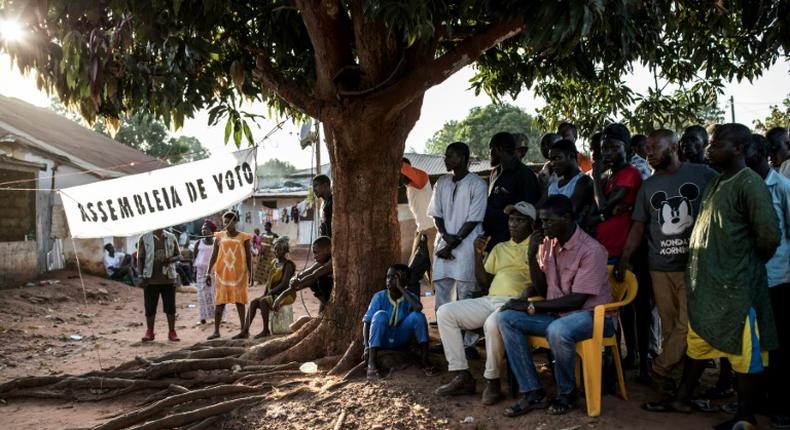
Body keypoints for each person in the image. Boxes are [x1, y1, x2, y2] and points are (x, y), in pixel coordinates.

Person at [643, 124, 780, 430]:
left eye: (717, 144)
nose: (709, 149)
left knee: (744, 353)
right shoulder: (718, 182)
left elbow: (768, 236)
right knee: (698, 343)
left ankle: (745, 415)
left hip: (737, 288)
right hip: (710, 288)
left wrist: (741, 264)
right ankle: (682, 398)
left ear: (739, 149)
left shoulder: (749, 184)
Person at [615, 129, 717, 392]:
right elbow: (638, 226)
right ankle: (679, 382)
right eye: (647, 149)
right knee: (671, 327)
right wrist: (624, 258)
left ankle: (660, 368)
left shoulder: (702, 175)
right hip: (659, 267)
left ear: (672, 147)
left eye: (653, 148)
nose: (648, 153)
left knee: (688, 324)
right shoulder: (649, 186)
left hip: (693, 266)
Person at [497, 195, 613, 417]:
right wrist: (532, 256)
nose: (543, 226)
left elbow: (577, 300)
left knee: (558, 330)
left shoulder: (591, 250)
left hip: (593, 317)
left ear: (567, 218)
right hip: (558, 315)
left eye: (548, 221)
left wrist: (530, 307)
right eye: (541, 221)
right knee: (506, 318)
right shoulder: (548, 245)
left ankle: (567, 393)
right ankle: (533, 392)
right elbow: (542, 290)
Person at [435, 202, 535, 405]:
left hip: (516, 304)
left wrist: (527, 294)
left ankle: (492, 381)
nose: (513, 224)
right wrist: (477, 254)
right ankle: (462, 376)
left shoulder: (538, 246)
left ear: (532, 224)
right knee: (445, 312)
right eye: (511, 219)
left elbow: (545, 281)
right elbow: (484, 283)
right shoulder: (500, 247)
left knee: (492, 323)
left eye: (520, 220)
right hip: (490, 299)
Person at [744, 133, 790, 429]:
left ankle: (782, 404)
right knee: (755, 344)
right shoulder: (742, 187)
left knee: (781, 345)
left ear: (759, 152)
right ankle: (758, 399)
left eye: (743, 148)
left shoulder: (782, 186)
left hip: (778, 278)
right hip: (749, 280)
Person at [427, 142, 487, 313]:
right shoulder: (442, 182)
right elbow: (436, 213)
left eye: (450, 156)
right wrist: (445, 238)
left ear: (462, 158)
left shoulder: (477, 184)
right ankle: (447, 337)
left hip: (467, 245)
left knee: (465, 292)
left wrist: (452, 244)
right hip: (444, 243)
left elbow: (474, 219)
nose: (445, 159)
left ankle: (467, 339)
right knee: (442, 290)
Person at [362, 264, 436, 380]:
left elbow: (418, 308)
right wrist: (366, 346)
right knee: (380, 315)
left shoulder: (410, 297)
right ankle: (371, 363)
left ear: (404, 280)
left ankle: (424, 359)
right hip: (383, 339)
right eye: (388, 277)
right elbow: (367, 322)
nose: (389, 280)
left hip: (401, 339)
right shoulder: (379, 296)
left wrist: (401, 288)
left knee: (418, 316)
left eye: (394, 278)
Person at [589, 124, 643, 260]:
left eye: (614, 148)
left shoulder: (630, 173)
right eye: (604, 148)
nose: (608, 153)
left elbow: (602, 206)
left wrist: (595, 174)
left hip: (618, 252)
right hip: (600, 249)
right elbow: (594, 212)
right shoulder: (607, 177)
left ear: (625, 147)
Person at [485, 132, 541, 249]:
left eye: (490, 150)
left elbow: (529, 211)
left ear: (499, 149)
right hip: (491, 239)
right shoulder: (495, 172)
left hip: (512, 243)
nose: (488, 154)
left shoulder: (525, 175)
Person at [206, 211, 253, 340]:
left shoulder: (244, 237)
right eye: (225, 222)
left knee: (240, 302)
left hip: (240, 274)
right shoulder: (219, 236)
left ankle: (244, 330)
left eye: (230, 222)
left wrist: (251, 274)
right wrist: (208, 272)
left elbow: (249, 257)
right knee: (220, 302)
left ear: (235, 222)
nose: (227, 224)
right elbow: (214, 255)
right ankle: (216, 331)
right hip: (222, 274)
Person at [242, 236, 295, 338]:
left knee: (263, 301)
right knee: (254, 303)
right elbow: (269, 281)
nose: (276, 251)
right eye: (275, 248)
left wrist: (270, 293)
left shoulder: (288, 264)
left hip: (285, 294)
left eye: (278, 249)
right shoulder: (274, 263)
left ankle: (265, 330)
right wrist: (265, 293)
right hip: (274, 293)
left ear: (285, 250)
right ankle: (245, 331)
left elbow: (284, 284)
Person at [137, 228, 181, 342]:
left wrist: (170, 259)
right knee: (150, 307)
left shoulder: (171, 237)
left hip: (168, 278)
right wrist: (141, 276)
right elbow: (140, 258)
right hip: (150, 279)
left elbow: (179, 256)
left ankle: (172, 332)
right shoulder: (144, 237)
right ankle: (149, 332)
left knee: (170, 307)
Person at [401, 158, 436, 297]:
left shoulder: (421, 178)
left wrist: (396, 161)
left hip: (431, 233)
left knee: (412, 275)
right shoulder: (410, 188)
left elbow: (405, 169)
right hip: (422, 234)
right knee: (414, 277)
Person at [273, 236, 333, 312]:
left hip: (339, 297)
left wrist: (298, 282)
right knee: (309, 281)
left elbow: (314, 275)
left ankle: (330, 307)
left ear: (327, 250)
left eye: (316, 252)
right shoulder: (322, 262)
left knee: (316, 280)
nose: (314, 257)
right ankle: (327, 308)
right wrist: (295, 279)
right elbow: (306, 273)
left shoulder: (332, 262)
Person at [544, 139, 595, 227]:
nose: (553, 164)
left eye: (557, 158)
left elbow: (568, 211)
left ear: (571, 156)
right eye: (551, 160)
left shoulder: (583, 181)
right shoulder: (553, 185)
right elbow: (539, 208)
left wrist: (544, 214)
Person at [192, 220, 218, 325]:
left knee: (214, 293)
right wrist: (193, 272)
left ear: (211, 231)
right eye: (202, 229)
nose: (203, 231)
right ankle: (203, 317)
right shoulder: (199, 243)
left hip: (214, 271)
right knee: (202, 294)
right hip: (201, 271)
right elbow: (194, 258)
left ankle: (217, 316)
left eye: (206, 229)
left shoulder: (216, 242)